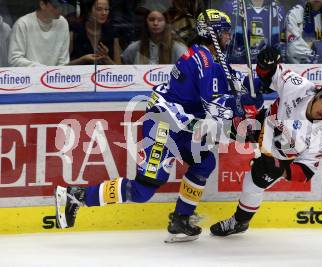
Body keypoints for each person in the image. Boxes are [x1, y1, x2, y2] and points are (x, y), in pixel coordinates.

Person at [55, 9, 261, 243]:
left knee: (204, 162)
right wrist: (239, 103)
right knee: (143, 190)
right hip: (164, 123)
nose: (228, 37)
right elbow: (214, 106)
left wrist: (259, 79)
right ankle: (77, 196)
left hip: (182, 125)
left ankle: (181, 219)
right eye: (224, 33)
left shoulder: (213, 59)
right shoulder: (203, 60)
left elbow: (234, 79)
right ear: (211, 34)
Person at [210, 47, 322, 236]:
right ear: (318, 94)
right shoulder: (298, 86)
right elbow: (268, 74)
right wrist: (265, 63)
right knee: (215, 130)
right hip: (262, 125)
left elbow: (305, 172)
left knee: (253, 182)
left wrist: (279, 169)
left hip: (278, 156)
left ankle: (239, 222)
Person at [216, 0, 286, 64]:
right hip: (236, 65)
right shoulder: (230, 7)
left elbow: (280, 45)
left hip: (268, 67)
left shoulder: (278, 9)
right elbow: (220, 41)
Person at [8, 0, 70, 67]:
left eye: (62, 6)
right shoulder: (23, 24)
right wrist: (43, 70)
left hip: (54, 75)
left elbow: (63, 60)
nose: (60, 9)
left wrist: (54, 73)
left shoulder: (63, 23)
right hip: (27, 76)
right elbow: (14, 59)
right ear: (42, 4)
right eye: (55, 6)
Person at [121, 8, 187, 64]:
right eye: (151, 20)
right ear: (146, 23)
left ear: (166, 23)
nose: (155, 23)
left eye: (160, 20)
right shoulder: (134, 48)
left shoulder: (179, 49)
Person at [68, 0, 121, 65]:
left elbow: (119, 69)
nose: (104, 13)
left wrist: (106, 58)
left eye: (106, 9)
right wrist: (83, 59)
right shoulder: (75, 31)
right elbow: (64, 66)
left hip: (105, 75)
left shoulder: (112, 33)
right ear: (89, 11)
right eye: (99, 9)